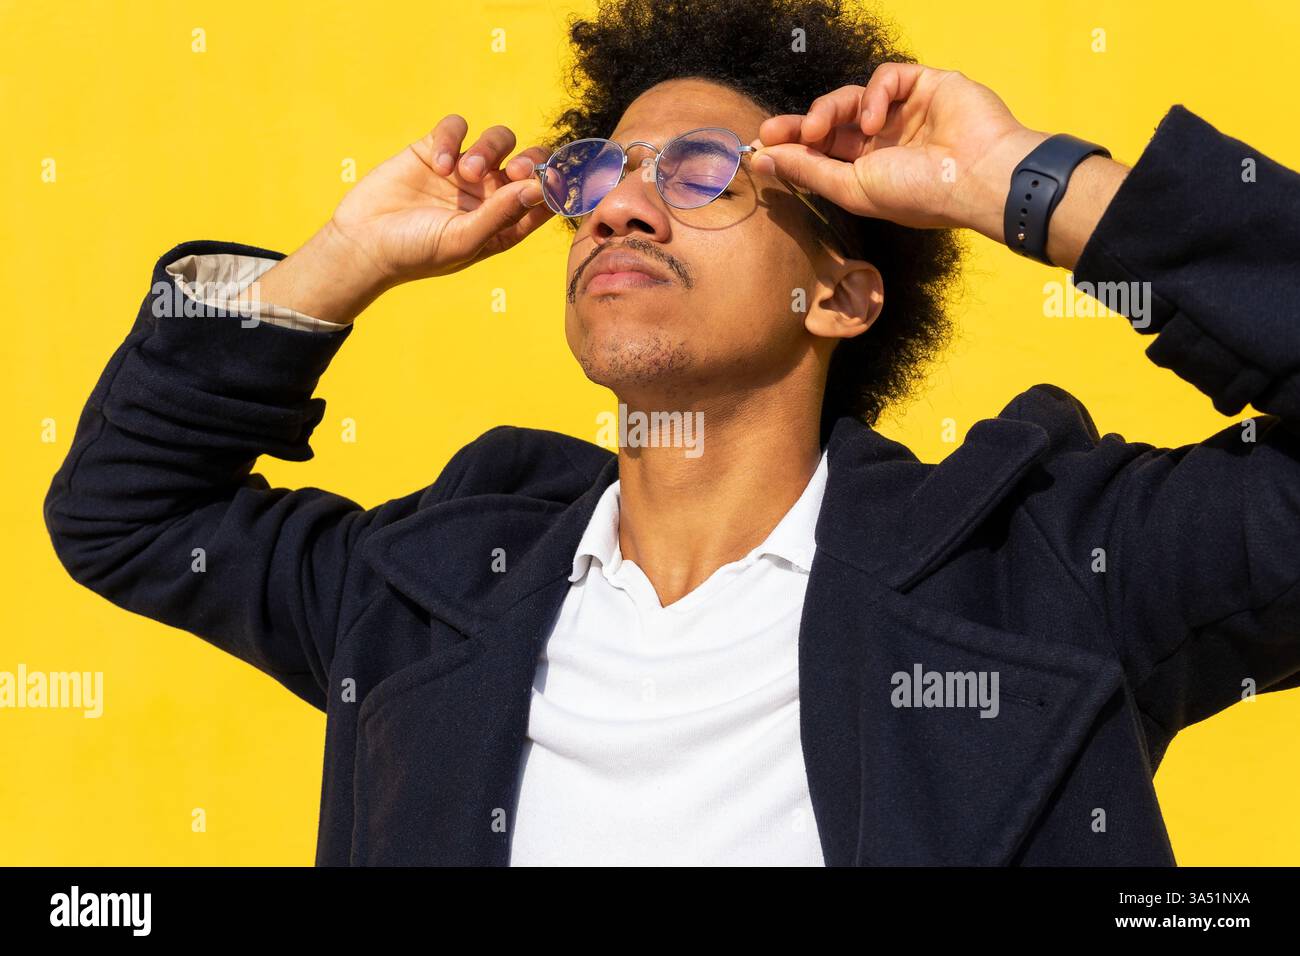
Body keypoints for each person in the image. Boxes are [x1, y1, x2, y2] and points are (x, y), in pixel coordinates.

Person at [44, 0, 1300, 865]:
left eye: (701, 174)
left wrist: (1029, 180)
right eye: (596, 175)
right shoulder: (425, 595)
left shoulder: (1041, 576)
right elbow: (124, 509)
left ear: (842, 293)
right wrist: (342, 259)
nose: (622, 209)